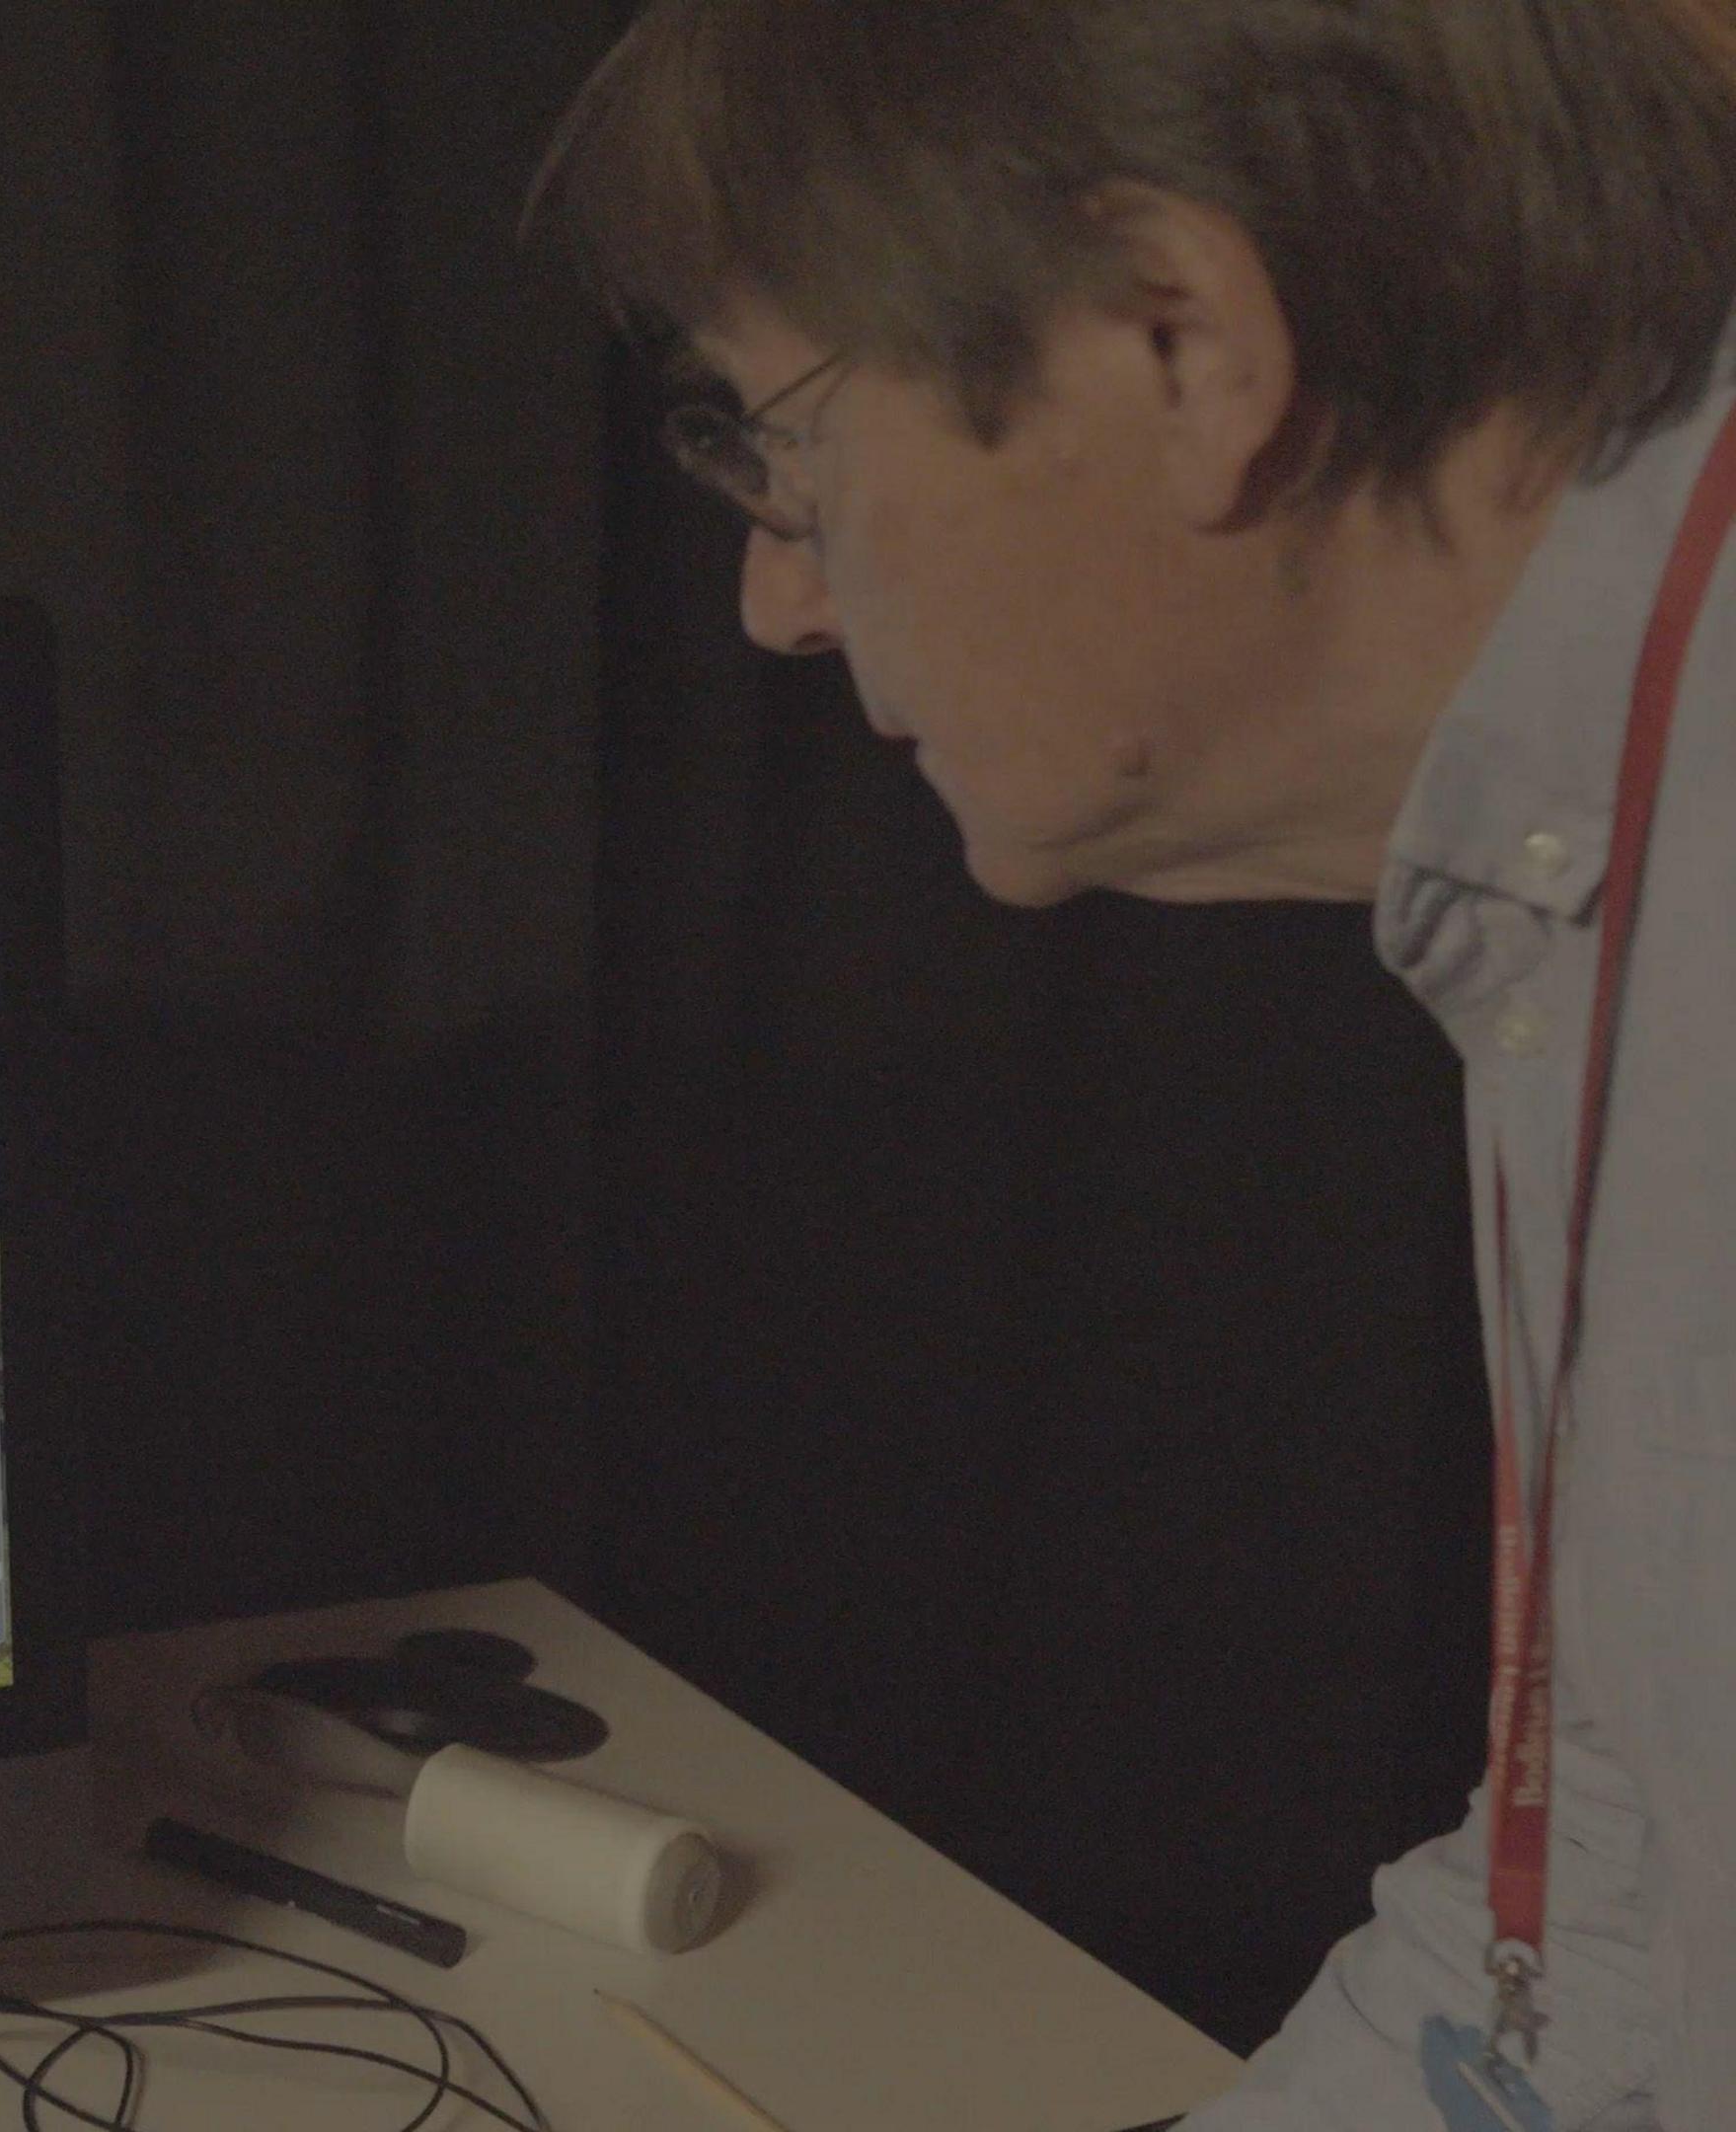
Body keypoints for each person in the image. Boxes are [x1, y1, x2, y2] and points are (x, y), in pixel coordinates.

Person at [536, 3, 1736, 2125]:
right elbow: (1598, 1932)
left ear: (1182, 344)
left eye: (786, 443)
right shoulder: (1579, 831)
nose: (775, 600)